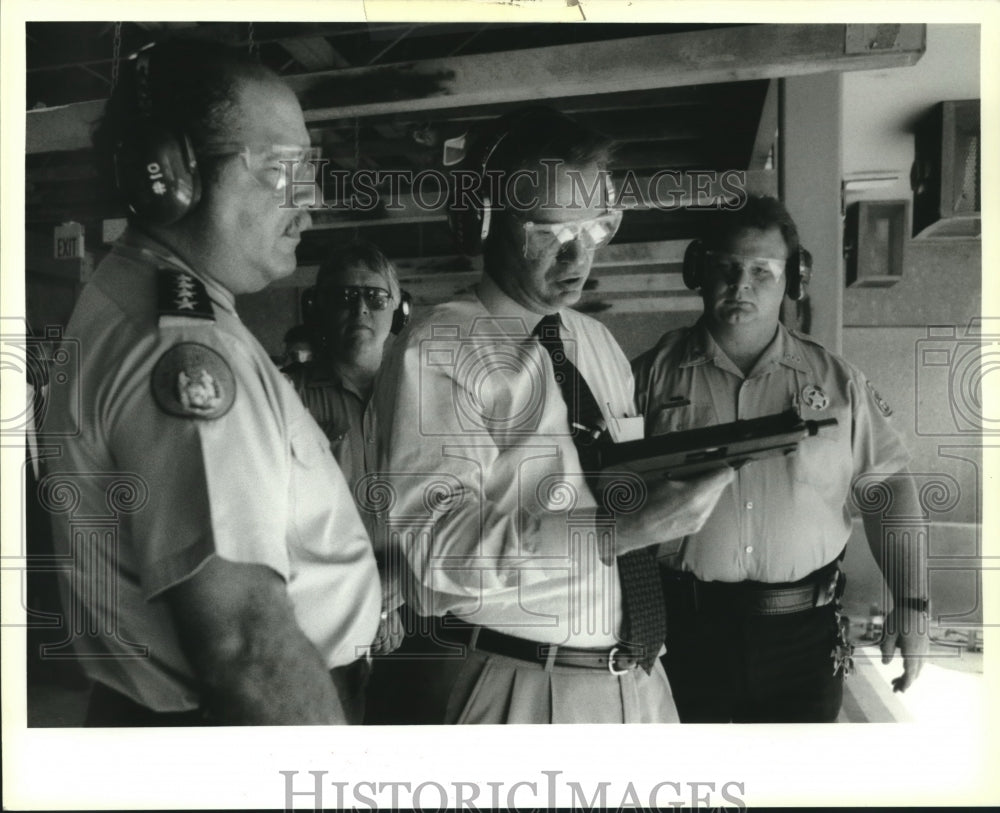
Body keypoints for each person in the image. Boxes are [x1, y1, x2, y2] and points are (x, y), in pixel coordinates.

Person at [42, 39, 380, 725]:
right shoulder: (189, 349)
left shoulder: (149, 306)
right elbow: (246, 645)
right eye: (284, 169)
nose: (310, 199)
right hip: (241, 728)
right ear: (171, 176)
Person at [371, 107, 733, 724]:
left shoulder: (596, 343)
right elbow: (438, 547)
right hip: (517, 682)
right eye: (549, 230)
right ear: (482, 220)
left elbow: (606, 486)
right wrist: (617, 532)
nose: (577, 255)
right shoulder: (444, 346)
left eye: (596, 227)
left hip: (639, 680)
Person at [632, 195, 929, 723]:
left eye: (762, 271)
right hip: (680, 634)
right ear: (698, 270)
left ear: (793, 280)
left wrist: (912, 605)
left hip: (804, 639)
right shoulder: (647, 379)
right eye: (725, 266)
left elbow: (887, 491)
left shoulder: (838, 384)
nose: (740, 284)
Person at [289, 241, 408, 657]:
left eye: (375, 296)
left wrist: (405, 578)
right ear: (317, 308)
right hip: (320, 618)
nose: (360, 308)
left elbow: (464, 501)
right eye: (344, 296)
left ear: (398, 309)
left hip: (424, 609)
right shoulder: (286, 396)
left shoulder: (428, 396)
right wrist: (364, 597)